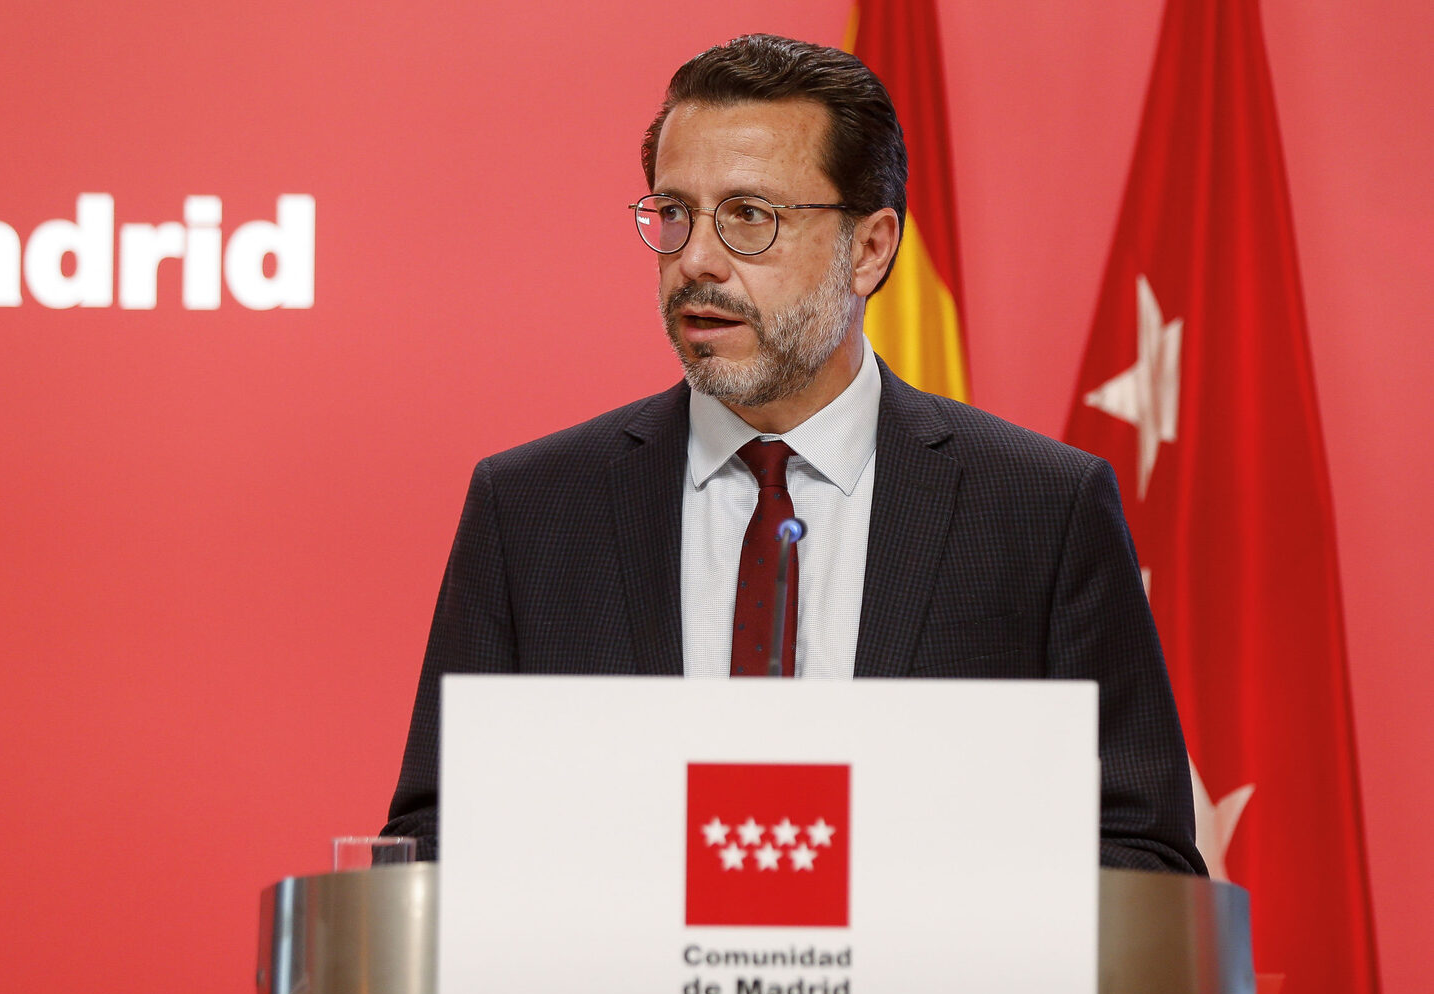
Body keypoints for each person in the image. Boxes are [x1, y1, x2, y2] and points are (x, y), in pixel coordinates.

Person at [383, 34, 1204, 875]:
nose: (696, 261)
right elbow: (432, 848)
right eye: (675, 213)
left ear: (870, 249)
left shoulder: (1041, 510)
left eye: (750, 216)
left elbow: (1141, 858)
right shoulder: (531, 511)